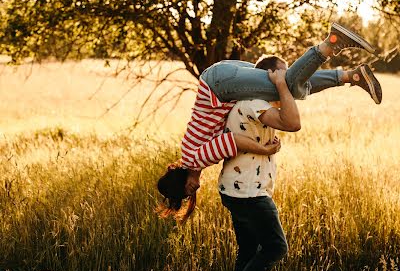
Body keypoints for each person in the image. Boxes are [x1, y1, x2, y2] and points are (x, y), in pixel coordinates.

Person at [157, 22, 382, 222]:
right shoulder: (191, 154)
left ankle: (332, 42)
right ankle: (351, 76)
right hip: (219, 78)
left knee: (288, 84)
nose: (194, 188)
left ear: (181, 180)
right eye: (189, 193)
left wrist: (263, 149)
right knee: (294, 84)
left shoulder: (196, 159)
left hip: (219, 85)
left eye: (186, 189)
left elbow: (232, 140)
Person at [212, 68, 299, 271]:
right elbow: (293, 123)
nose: (289, 78)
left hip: (235, 189)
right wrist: (282, 85)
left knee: (249, 250)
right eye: (285, 73)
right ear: (268, 79)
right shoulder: (255, 103)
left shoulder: (243, 104)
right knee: (276, 247)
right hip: (249, 193)